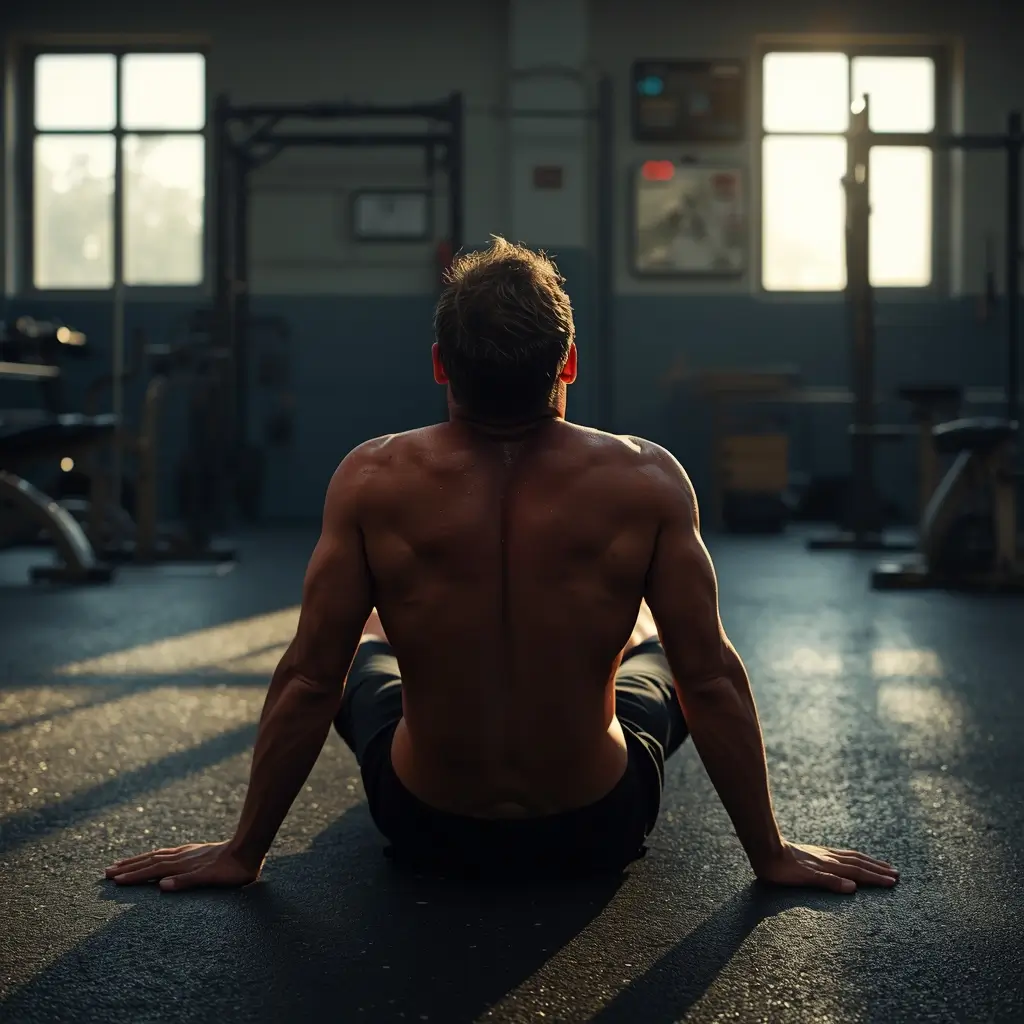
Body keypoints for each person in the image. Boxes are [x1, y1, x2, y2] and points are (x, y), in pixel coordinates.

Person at [106, 238, 898, 893]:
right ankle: (623, 639)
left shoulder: (372, 477)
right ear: (570, 364)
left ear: (440, 365)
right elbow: (713, 682)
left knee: (355, 641)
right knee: (673, 647)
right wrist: (772, 854)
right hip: (597, 826)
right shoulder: (649, 478)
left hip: (426, 825)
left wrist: (242, 851)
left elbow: (310, 681)